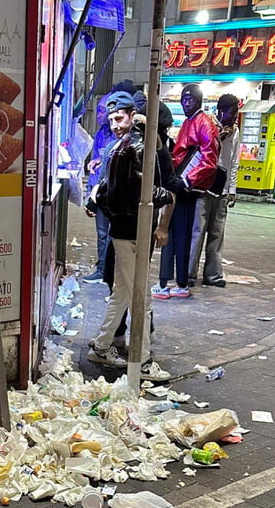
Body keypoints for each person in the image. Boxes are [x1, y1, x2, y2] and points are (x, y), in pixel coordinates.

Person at [88, 91, 174, 380]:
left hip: (124, 230)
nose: (114, 124)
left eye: (118, 118)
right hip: (133, 229)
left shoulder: (120, 147)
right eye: (111, 119)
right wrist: (166, 196)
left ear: (132, 116)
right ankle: (143, 359)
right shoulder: (134, 147)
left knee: (123, 291)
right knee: (141, 298)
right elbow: (141, 191)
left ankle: (102, 345)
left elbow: (105, 193)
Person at [153, 84, 219, 299]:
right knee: (173, 234)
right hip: (179, 183)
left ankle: (177, 281)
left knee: (178, 234)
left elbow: (209, 160)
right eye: (184, 99)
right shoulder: (192, 122)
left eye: (190, 99)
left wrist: (187, 180)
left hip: (186, 187)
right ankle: (174, 281)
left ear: (199, 101)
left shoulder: (204, 123)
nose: (186, 103)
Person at [188, 93, 240, 287]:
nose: (235, 117)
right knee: (198, 231)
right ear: (221, 111)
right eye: (232, 112)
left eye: (236, 113)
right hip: (204, 186)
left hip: (222, 188)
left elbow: (234, 161)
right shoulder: (206, 125)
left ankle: (213, 275)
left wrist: (232, 188)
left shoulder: (235, 132)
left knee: (217, 234)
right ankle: (189, 274)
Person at [83, 94, 112, 283]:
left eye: (102, 111)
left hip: (115, 192)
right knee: (102, 233)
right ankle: (103, 268)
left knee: (113, 235)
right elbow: (94, 167)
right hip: (100, 192)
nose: (98, 115)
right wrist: (89, 193)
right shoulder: (101, 134)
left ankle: (110, 269)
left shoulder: (122, 136)